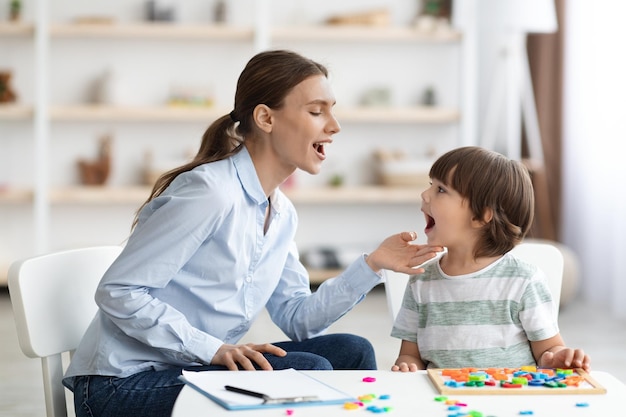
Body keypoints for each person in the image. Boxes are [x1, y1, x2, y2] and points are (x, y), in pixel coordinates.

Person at [62, 49, 442, 417]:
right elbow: (118, 291)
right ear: (265, 118)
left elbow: (298, 319)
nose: (334, 125)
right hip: (121, 386)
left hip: (185, 369)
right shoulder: (210, 193)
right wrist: (214, 350)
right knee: (310, 368)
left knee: (352, 352)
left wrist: (372, 265)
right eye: (316, 111)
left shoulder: (280, 212)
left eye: (332, 110)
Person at [391, 146, 591, 372]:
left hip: (508, 401)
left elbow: (549, 350)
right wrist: (407, 365)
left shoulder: (523, 280)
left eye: (441, 190)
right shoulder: (421, 281)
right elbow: (410, 355)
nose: (425, 195)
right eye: (430, 185)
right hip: (444, 401)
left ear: (480, 217)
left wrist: (558, 358)